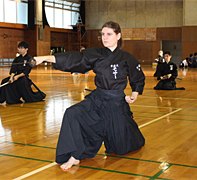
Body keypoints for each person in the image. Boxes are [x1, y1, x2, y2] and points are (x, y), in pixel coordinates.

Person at [34, 21, 145, 170]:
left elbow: (137, 77)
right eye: (103, 34)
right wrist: (45, 58)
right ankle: (75, 154)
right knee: (72, 113)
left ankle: (122, 135)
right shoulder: (96, 54)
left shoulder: (127, 57)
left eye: (109, 34)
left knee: (123, 147)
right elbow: (75, 59)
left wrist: (133, 94)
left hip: (116, 103)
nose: (105, 37)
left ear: (118, 36)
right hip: (98, 99)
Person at [0, 41, 46, 105]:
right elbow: (13, 69)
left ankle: (38, 96)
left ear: (26, 49)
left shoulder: (30, 59)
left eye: (22, 48)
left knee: (27, 97)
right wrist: (11, 77)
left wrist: (17, 77)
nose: (20, 50)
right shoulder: (17, 59)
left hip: (24, 77)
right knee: (5, 81)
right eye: (19, 48)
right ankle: (9, 100)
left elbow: (26, 71)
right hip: (15, 76)